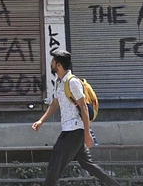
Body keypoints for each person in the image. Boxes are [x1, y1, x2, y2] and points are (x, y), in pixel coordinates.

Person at [32, 49, 120, 186]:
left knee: (55, 163)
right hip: (71, 130)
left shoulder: (73, 82)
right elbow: (55, 103)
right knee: (89, 166)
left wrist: (87, 133)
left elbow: (84, 107)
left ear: (59, 65)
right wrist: (41, 120)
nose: (51, 63)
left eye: (53, 61)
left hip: (74, 130)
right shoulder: (58, 81)